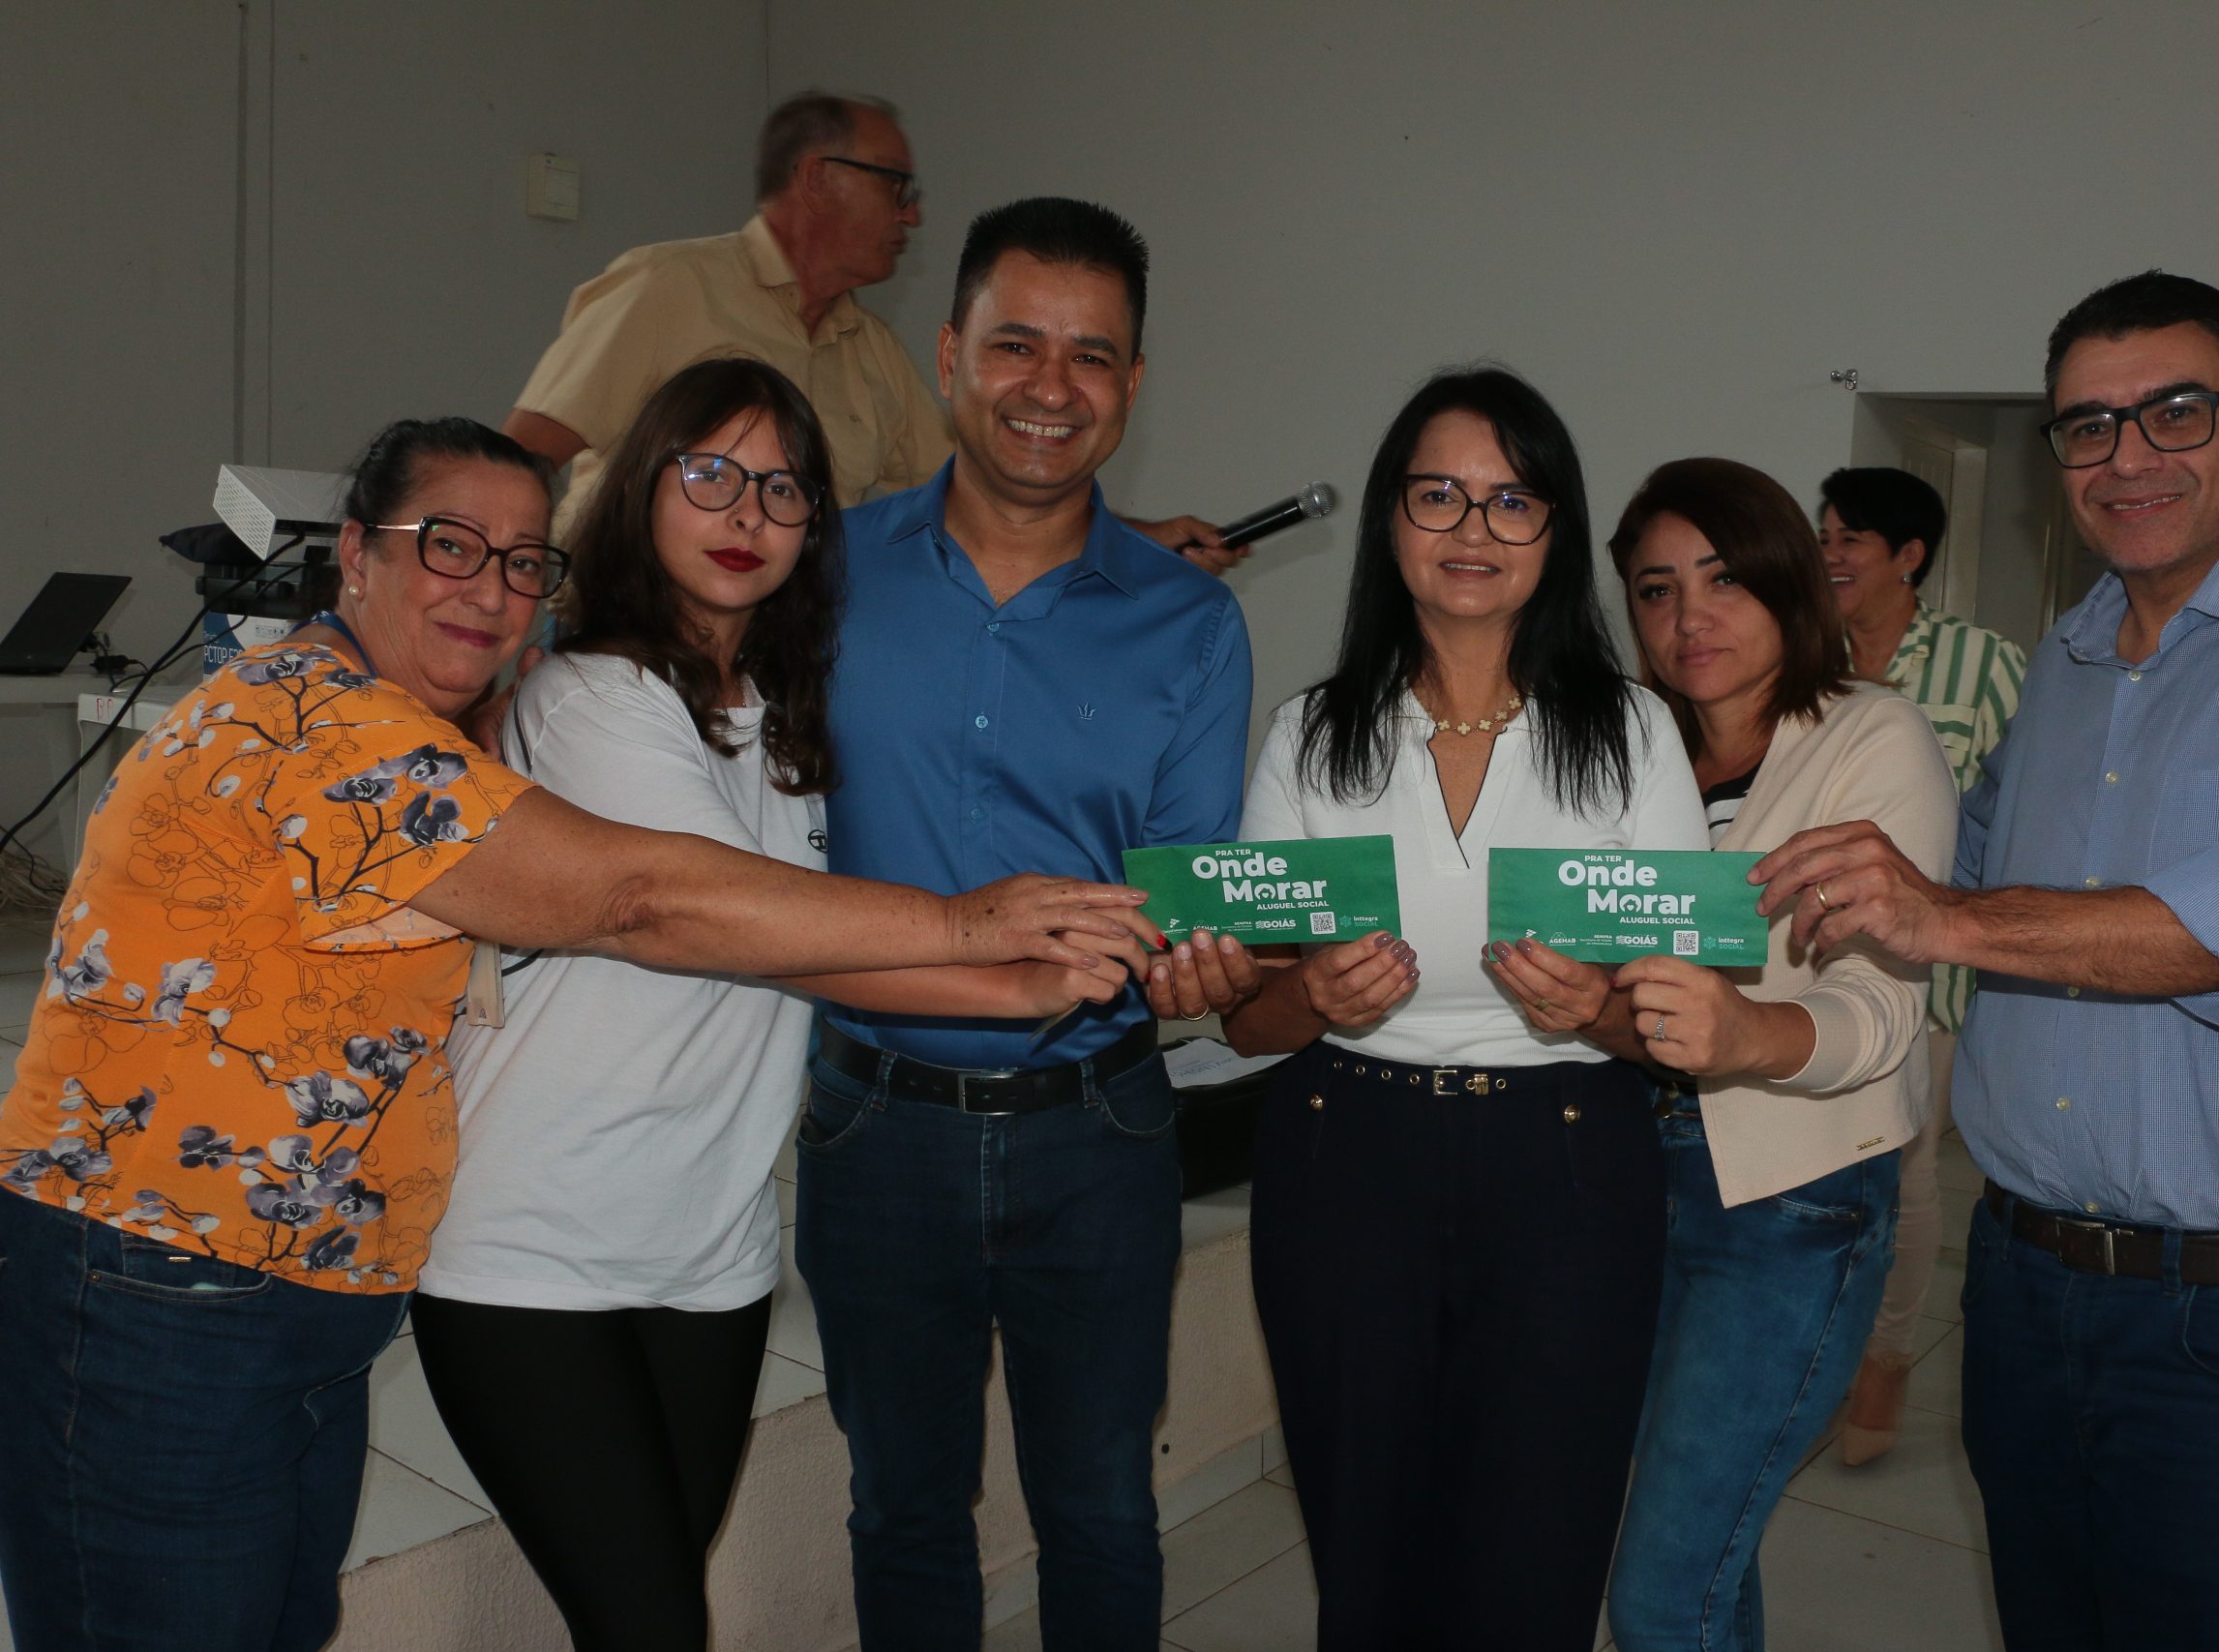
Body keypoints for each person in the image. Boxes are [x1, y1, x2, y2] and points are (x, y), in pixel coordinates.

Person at [0, 416, 1154, 1652]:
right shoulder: (319, 729)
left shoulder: (425, 727)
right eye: (448, 545)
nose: (488, 589)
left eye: (520, 562)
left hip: (300, 1298)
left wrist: (1020, 984)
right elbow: (638, 899)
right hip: (160, 1289)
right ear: (356, 553)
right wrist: (975, 927)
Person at [1755, 271, 2219, 1652]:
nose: (2127, 455)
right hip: (2030, 1290)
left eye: (2173, 411)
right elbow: (1955, 856)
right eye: (2088, 425)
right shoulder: (2071, 658)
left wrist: (1942, 918)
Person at [407, 360, 1136, 1652]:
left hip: (710, 1250)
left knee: (649, 1612)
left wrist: (1034, 974)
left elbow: (804, 939)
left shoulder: (780, 717)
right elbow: (699, 915)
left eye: (783, 487)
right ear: (642, 490)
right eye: (710, 474)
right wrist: (990, 950)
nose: (745, 511)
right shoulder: (592, 697)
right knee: (651, 1626)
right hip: (533, 1243)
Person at [794, 197, 1252, 1651]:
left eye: (1092, 355)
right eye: (1016, 344)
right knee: (902, 1509)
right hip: (875, 1124)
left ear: (1133, 383)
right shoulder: (817, 571)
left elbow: (1186, 889)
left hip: (1097, 1130)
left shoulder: (1191, 623)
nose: (1051, 387)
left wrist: (1211, 963)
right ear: (949, 355)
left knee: (1103, 1508)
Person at [1214, 366, 1704, 1651]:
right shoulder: (1313, 733)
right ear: (1390, 518)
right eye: (1438, 495)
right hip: (1345, 1151)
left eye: (1511, 500)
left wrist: (1594, 1009)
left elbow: (1681, 1022)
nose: (1473, 528)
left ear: (1555, 531)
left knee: (1539, 1542)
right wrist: (1310, 993)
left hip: (1569, 1160)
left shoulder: (1634, 733)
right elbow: (1245, 1021)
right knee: (1365, 1541)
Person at [1599, 458, 1955, 1652]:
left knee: (1663, 1588)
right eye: (1655, 591)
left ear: (1787, 582)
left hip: (1788, 1200)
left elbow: (1882, 1006)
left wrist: (1748, 1033)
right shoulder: (1629, 751)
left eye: (1723, 580)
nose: (1688, 618)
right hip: (1616, 1178)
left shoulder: (1869, 736)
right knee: (1698, 1547)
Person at [506, 91, 1232, 566]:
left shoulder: (872, 350)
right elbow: (525, 460)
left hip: (772, 686)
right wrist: (502, 612)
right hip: (622, 657)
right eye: (896, 186)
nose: (912, 214)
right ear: (818, 179)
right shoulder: (668, 286)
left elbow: (983, 490)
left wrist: (1137, 540)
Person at [1815, 465, 2025, 1463]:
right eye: (1821, 536)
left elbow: (2017, 812)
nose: (1829, 555)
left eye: (1849, 539)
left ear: (1908, 556)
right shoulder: (1798, 652)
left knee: (1901, 1167)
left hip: (1923, 970)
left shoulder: (1983, 663)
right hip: (1802, 959)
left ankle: (1886, 1359)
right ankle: (1819, 1351)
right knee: (1818, 1168)